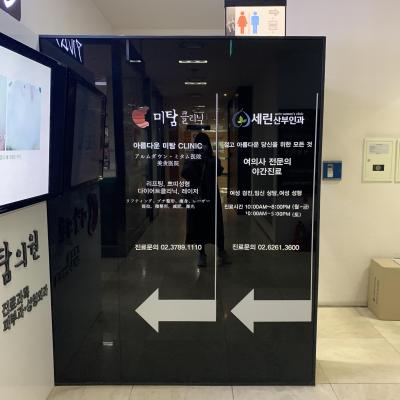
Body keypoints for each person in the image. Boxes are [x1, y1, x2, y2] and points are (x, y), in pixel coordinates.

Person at [181, 132, 230, 267]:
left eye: (204, 144)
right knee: (198, 225)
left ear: (208, 145)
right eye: (199, 144)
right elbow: (185, 173)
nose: (202, 147)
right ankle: (202, 254)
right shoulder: (191, 159)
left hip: (211, 197)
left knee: (215, 224)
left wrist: (206, 161)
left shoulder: (212, 160)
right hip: (197, 197)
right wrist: (195, 161)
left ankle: (221, 251)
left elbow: (218, 171)